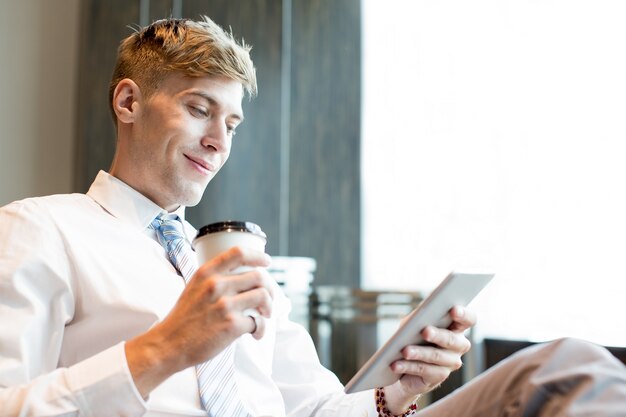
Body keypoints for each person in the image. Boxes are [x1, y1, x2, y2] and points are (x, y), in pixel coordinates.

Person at [0, 16, 624, 417]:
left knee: (565, 367)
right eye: (199, 108)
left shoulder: (230, 265)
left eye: (233, 123)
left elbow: (318, 408)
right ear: (130, 101)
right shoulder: (41, 230)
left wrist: (398, 389)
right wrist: (164, 349)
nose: (220, 140)